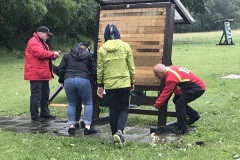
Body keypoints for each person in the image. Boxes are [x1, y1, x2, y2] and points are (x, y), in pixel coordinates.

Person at [97, 23, 135, 147]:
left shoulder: (102, 49)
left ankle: (115, 135)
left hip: (110, 84)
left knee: (113, 109)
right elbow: (131, 66)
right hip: (124, 82)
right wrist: (132, 81)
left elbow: (100, 69)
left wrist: (100, 84)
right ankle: (119, 132)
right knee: (124, 108)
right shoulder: (125, 46)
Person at [153, 63, 206, 135]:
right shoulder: (172, 68)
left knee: (180, 103)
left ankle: (183, 129)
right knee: (176, 100)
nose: (155, 76)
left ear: (162, 72)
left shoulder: (171, 77)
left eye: (156, 74)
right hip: (194, 86)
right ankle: (194, 115)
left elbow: (166, 92)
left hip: (197, 88)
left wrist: (157, 104)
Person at [58, 42, 97, 135]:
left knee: (71, 103)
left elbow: (61, 68)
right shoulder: (88, 55)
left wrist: (61, 80)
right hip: (83, 79)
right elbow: (93, 70)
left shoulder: (67, 54)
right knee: (88, 103)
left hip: (68, 79)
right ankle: (87, 127)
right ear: (87, 48)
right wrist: (96, 80)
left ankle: (72, 126)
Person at [24, 26, 61, 122]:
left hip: (43, 73)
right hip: (36, 74)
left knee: (45, 94)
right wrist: (52, 53)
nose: (47, 37)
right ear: (40, 33)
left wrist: (54, 56)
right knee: (36, 95)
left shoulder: (41, 42)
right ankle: (34, 115)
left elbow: (45, 55)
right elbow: (40, 53)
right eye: (46, 34)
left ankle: (45, 113)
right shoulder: (33, 42)